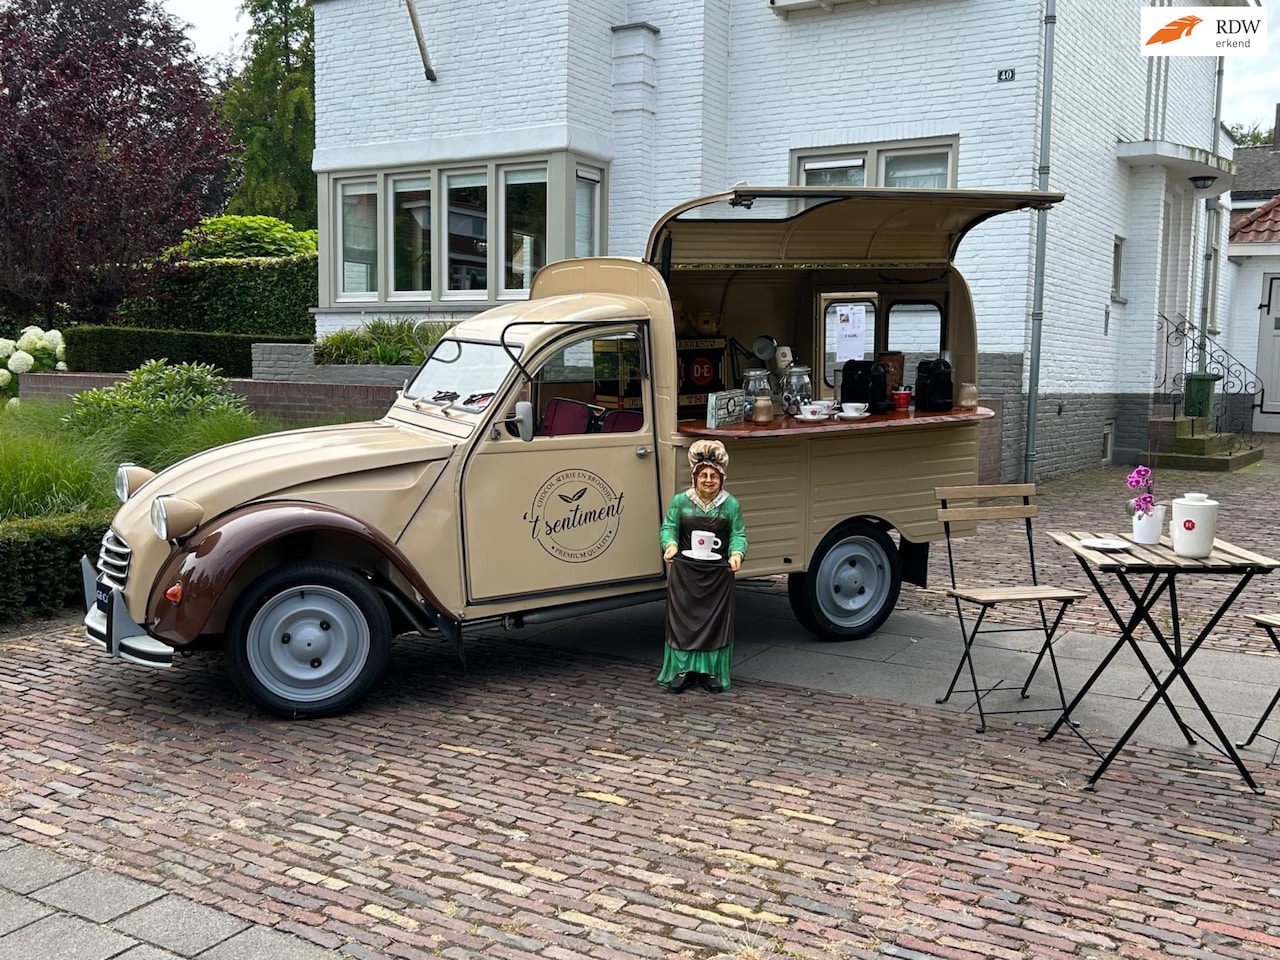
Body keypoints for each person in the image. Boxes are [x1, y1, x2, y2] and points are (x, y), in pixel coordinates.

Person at [658, 439, 747, 694]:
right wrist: (670, 545)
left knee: (715, 624)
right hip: (685, 574)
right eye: (703, 475)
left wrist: (737, 553)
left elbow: (739, 534)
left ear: (721, 479)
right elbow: (668, 527)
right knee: (682, 624)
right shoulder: (681, 502)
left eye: (713, 476)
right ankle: (681, 670)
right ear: (695, 477)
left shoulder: (731, 504)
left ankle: (711, 671)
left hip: (717, 576)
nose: (708, 480)